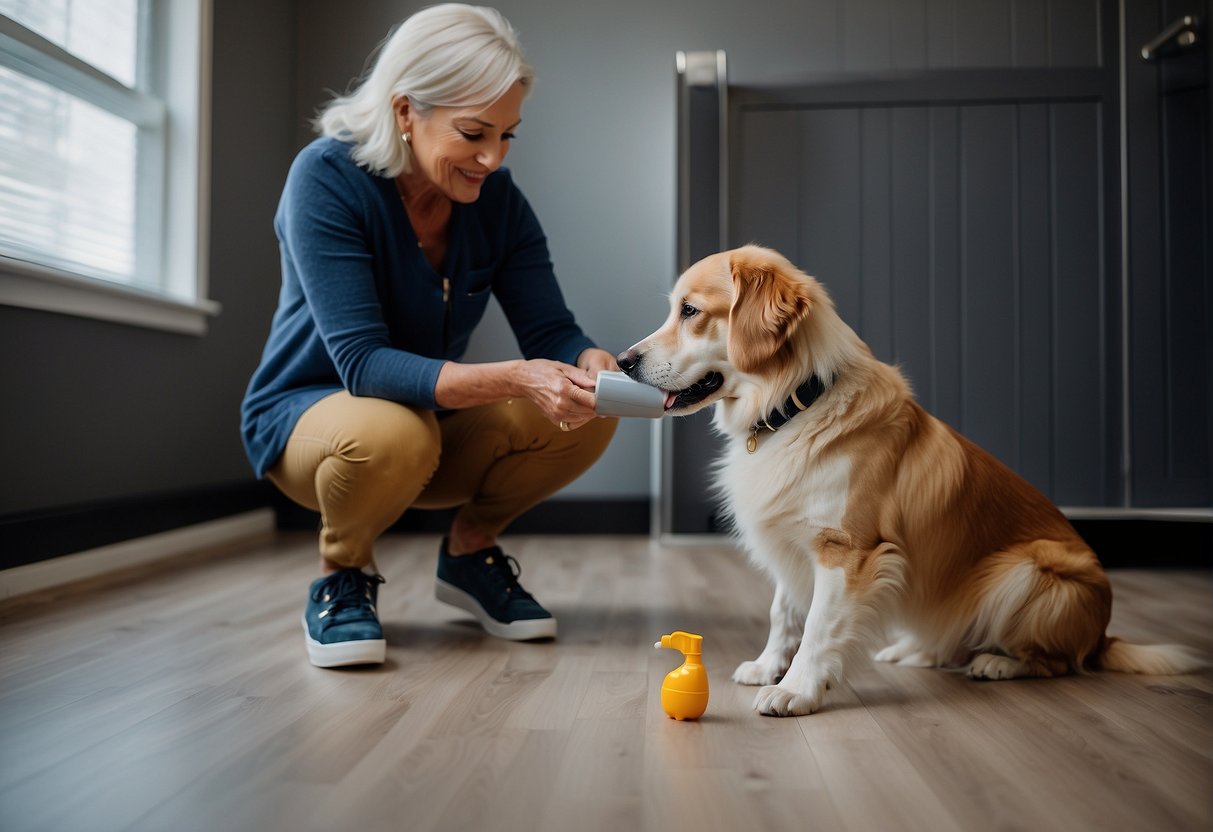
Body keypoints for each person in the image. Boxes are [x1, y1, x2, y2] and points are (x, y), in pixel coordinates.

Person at [240, 4, 618, 668]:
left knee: (589, 412)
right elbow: (360, 364)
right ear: (405, 110)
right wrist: (516, 375)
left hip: (426, 427)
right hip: (306, 422)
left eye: (507, 136)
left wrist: (585, 361)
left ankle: (470, 554)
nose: (491, 157)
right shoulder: (326, 178)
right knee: (392, 431)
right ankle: (342, 574)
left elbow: (551, 328)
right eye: (473, 132)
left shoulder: (497, 202)